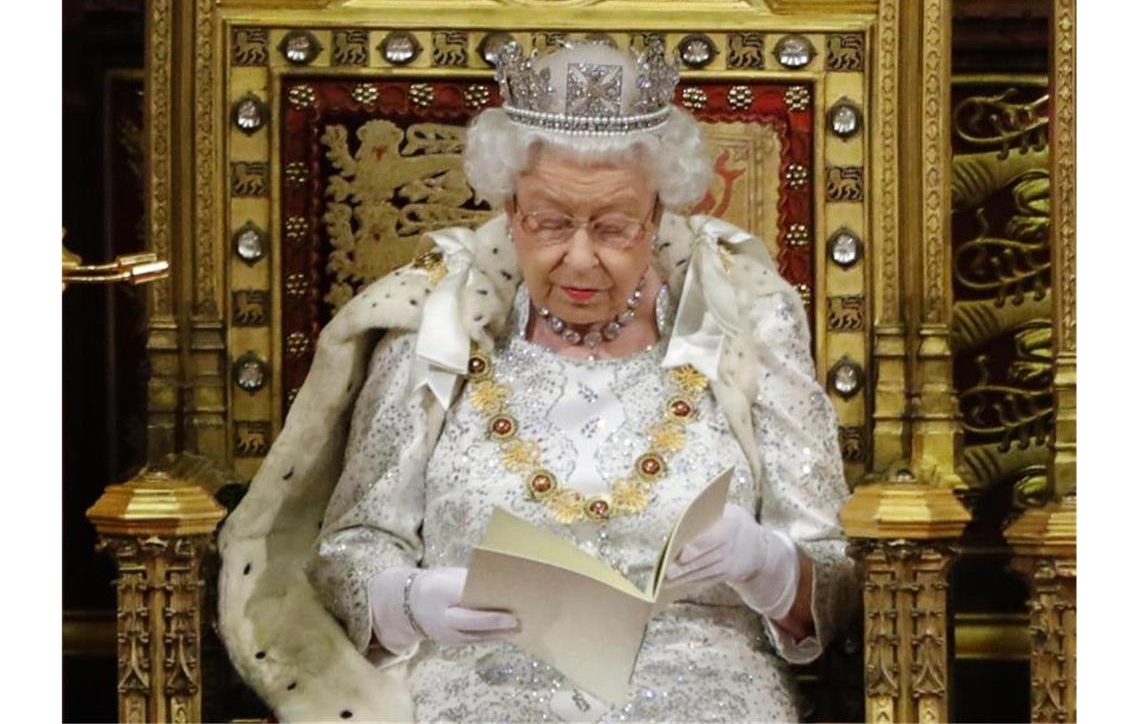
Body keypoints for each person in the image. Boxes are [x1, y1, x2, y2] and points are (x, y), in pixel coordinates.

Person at [218, 39, 855, 722]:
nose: (579, 259)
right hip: (480, 686)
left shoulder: (747, 321)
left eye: (614, 227)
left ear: (660, 215)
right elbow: (354, 544)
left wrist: (766, 564)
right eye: (549, 223)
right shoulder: (434, 325)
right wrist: (408, 601)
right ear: (509, 207)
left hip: (705, 686)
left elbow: (838, 578)